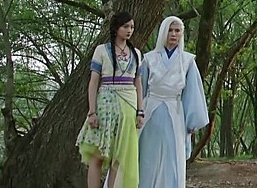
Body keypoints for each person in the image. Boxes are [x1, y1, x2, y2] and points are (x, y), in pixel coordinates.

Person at [137, 16, 209, 188]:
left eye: (177, 31)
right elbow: (140, 88)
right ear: (163, 32)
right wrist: (137, 111)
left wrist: (192, 120)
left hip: (175, 112)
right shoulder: (149, 59)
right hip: (150, 110)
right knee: (147, 155)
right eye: (170, 30)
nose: (173, 34)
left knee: (172, 157)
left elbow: (192, 91)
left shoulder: (187, 61)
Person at [76, 11, 145, 188]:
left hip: (129, 105)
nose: (129, 30)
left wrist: (140, 111)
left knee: (119, 155)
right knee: (97, 155)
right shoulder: (102, 50)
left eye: (132, 27)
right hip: (106, 105)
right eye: (125, 26)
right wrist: (92, 111)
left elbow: (138, 82)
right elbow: (93, 82)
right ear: (116, 28)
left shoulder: (136, 53)